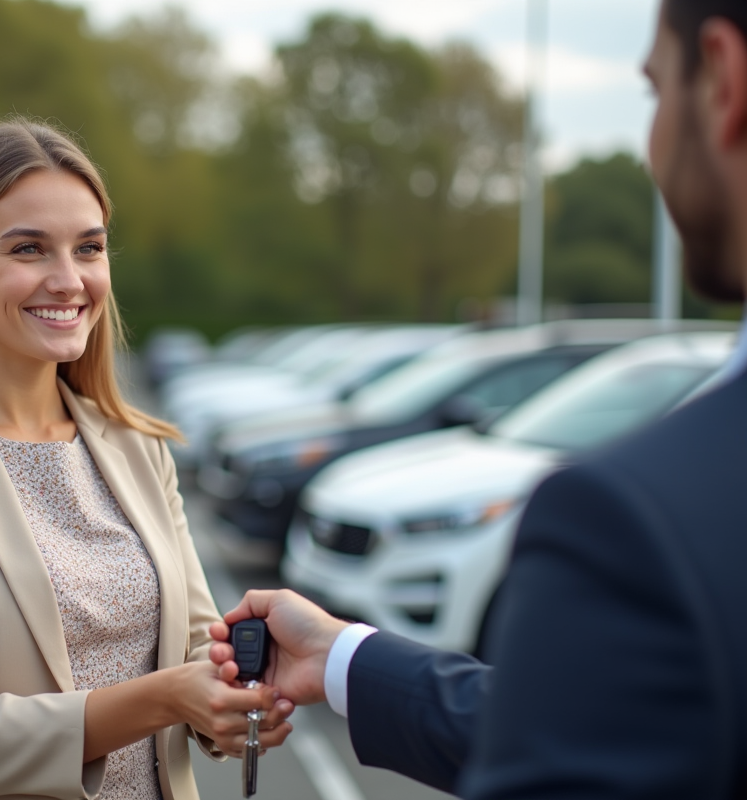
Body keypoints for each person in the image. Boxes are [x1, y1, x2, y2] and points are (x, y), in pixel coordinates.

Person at [211, 2, 747, 797]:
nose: (654, 145)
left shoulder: (634, 518)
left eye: (655, 89)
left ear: (723, 80)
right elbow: (598, 722)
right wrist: (345, 658)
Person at [0, 119, 293, 800]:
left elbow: (198, 656)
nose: (68, 280)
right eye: (29, 249)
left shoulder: (137, 446)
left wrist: (231, 704)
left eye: (89, 248)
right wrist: (169, 698)